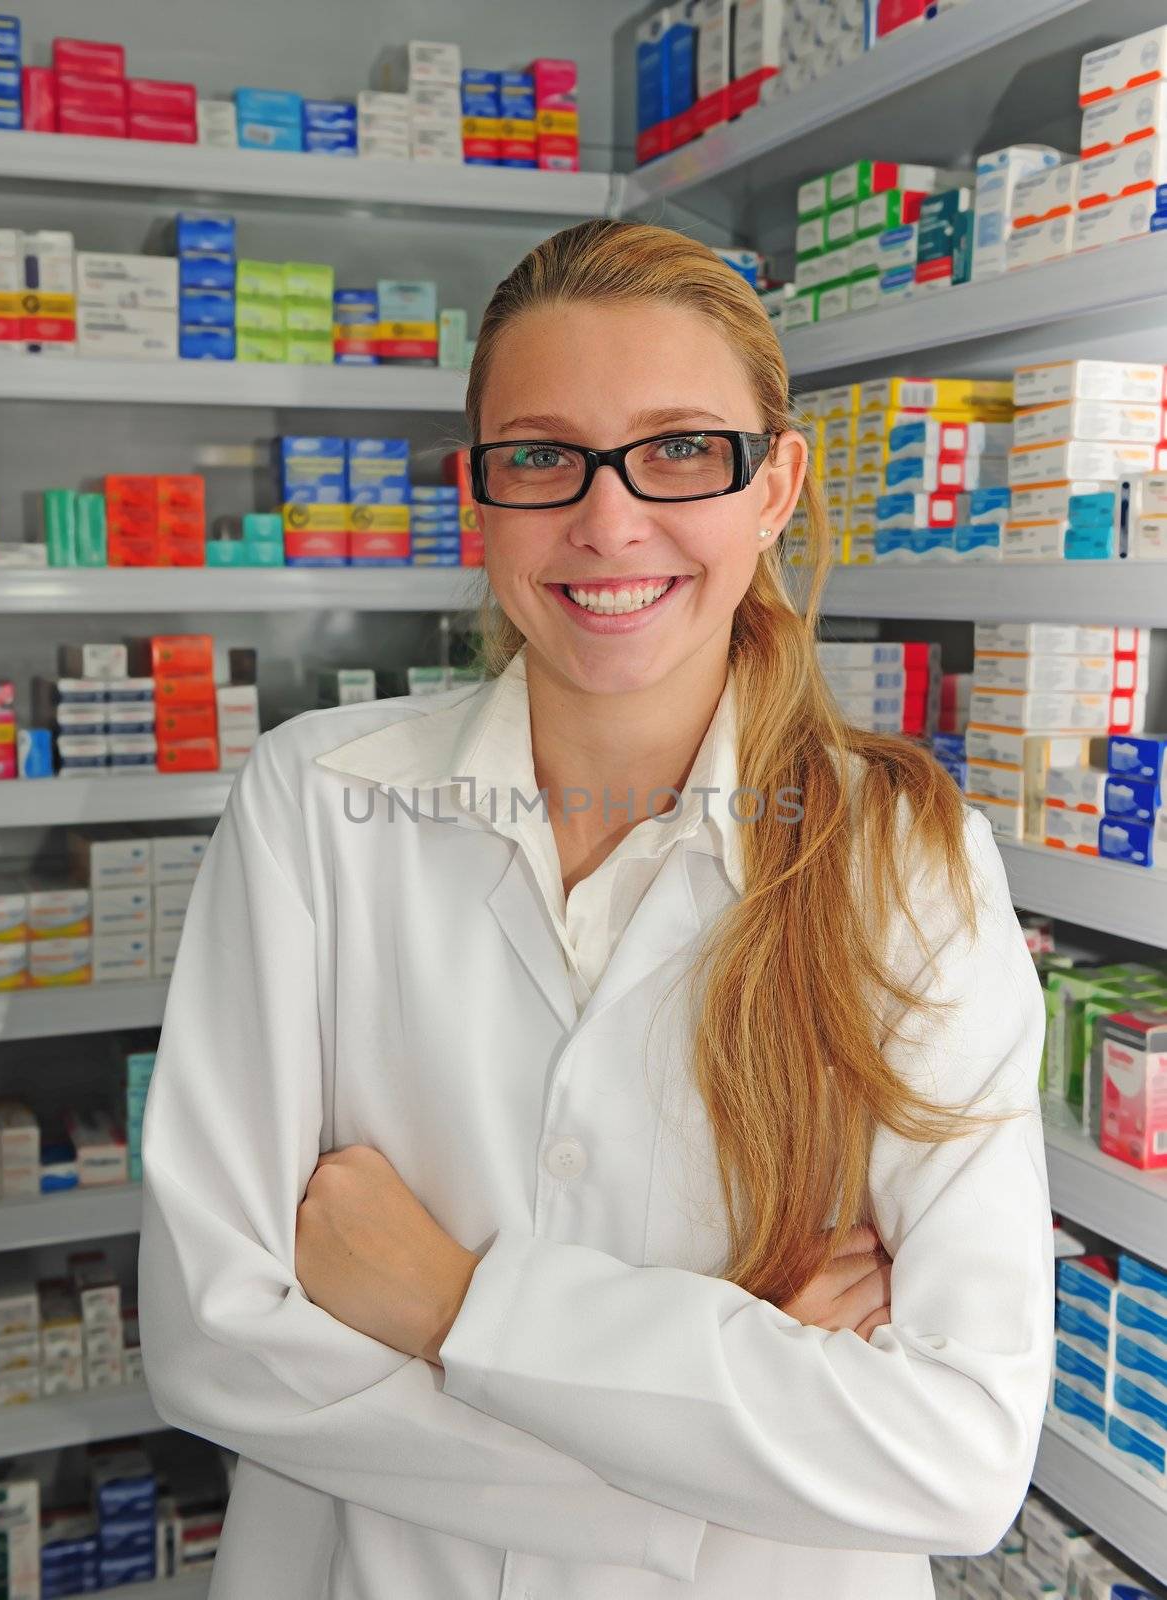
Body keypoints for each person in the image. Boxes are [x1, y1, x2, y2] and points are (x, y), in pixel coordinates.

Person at [138, 218, 1054, 1600]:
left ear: (776, 484)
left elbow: (958, 1456)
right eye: (543, 456)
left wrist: (453, 1307)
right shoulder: (319, 805)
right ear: (480, 493)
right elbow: (214, 1341)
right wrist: (719, 1445)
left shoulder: (904, 865)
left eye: (683, 448)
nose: (608, 518)